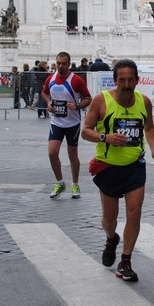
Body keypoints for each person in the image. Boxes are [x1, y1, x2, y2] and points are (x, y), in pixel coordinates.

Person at [82, 59, 154, 282]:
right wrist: (106, 137)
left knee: (134, 212)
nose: (126, 84)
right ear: (115, 80)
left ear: (137, 80)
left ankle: (126, 261)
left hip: (134, 166)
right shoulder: (102, 101)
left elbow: (149, 127)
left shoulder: (144, 102)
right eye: (122, 80)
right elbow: (86, 131)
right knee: (110, 219)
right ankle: (111, 238)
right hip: (108, 167)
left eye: (130, 80)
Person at [42, 52, 92, 199]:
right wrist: (48, 103)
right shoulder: (51, 79)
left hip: (72, 123)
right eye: (58, 63)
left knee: (72, 155)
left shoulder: (76, 80)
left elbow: (88, 98)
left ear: (69, 64)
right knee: (52, 152)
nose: (61, 66)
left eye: (64, 63)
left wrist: (76, 106)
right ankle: (60, 182)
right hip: (56, 121)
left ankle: (75, 184)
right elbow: (44, 93)